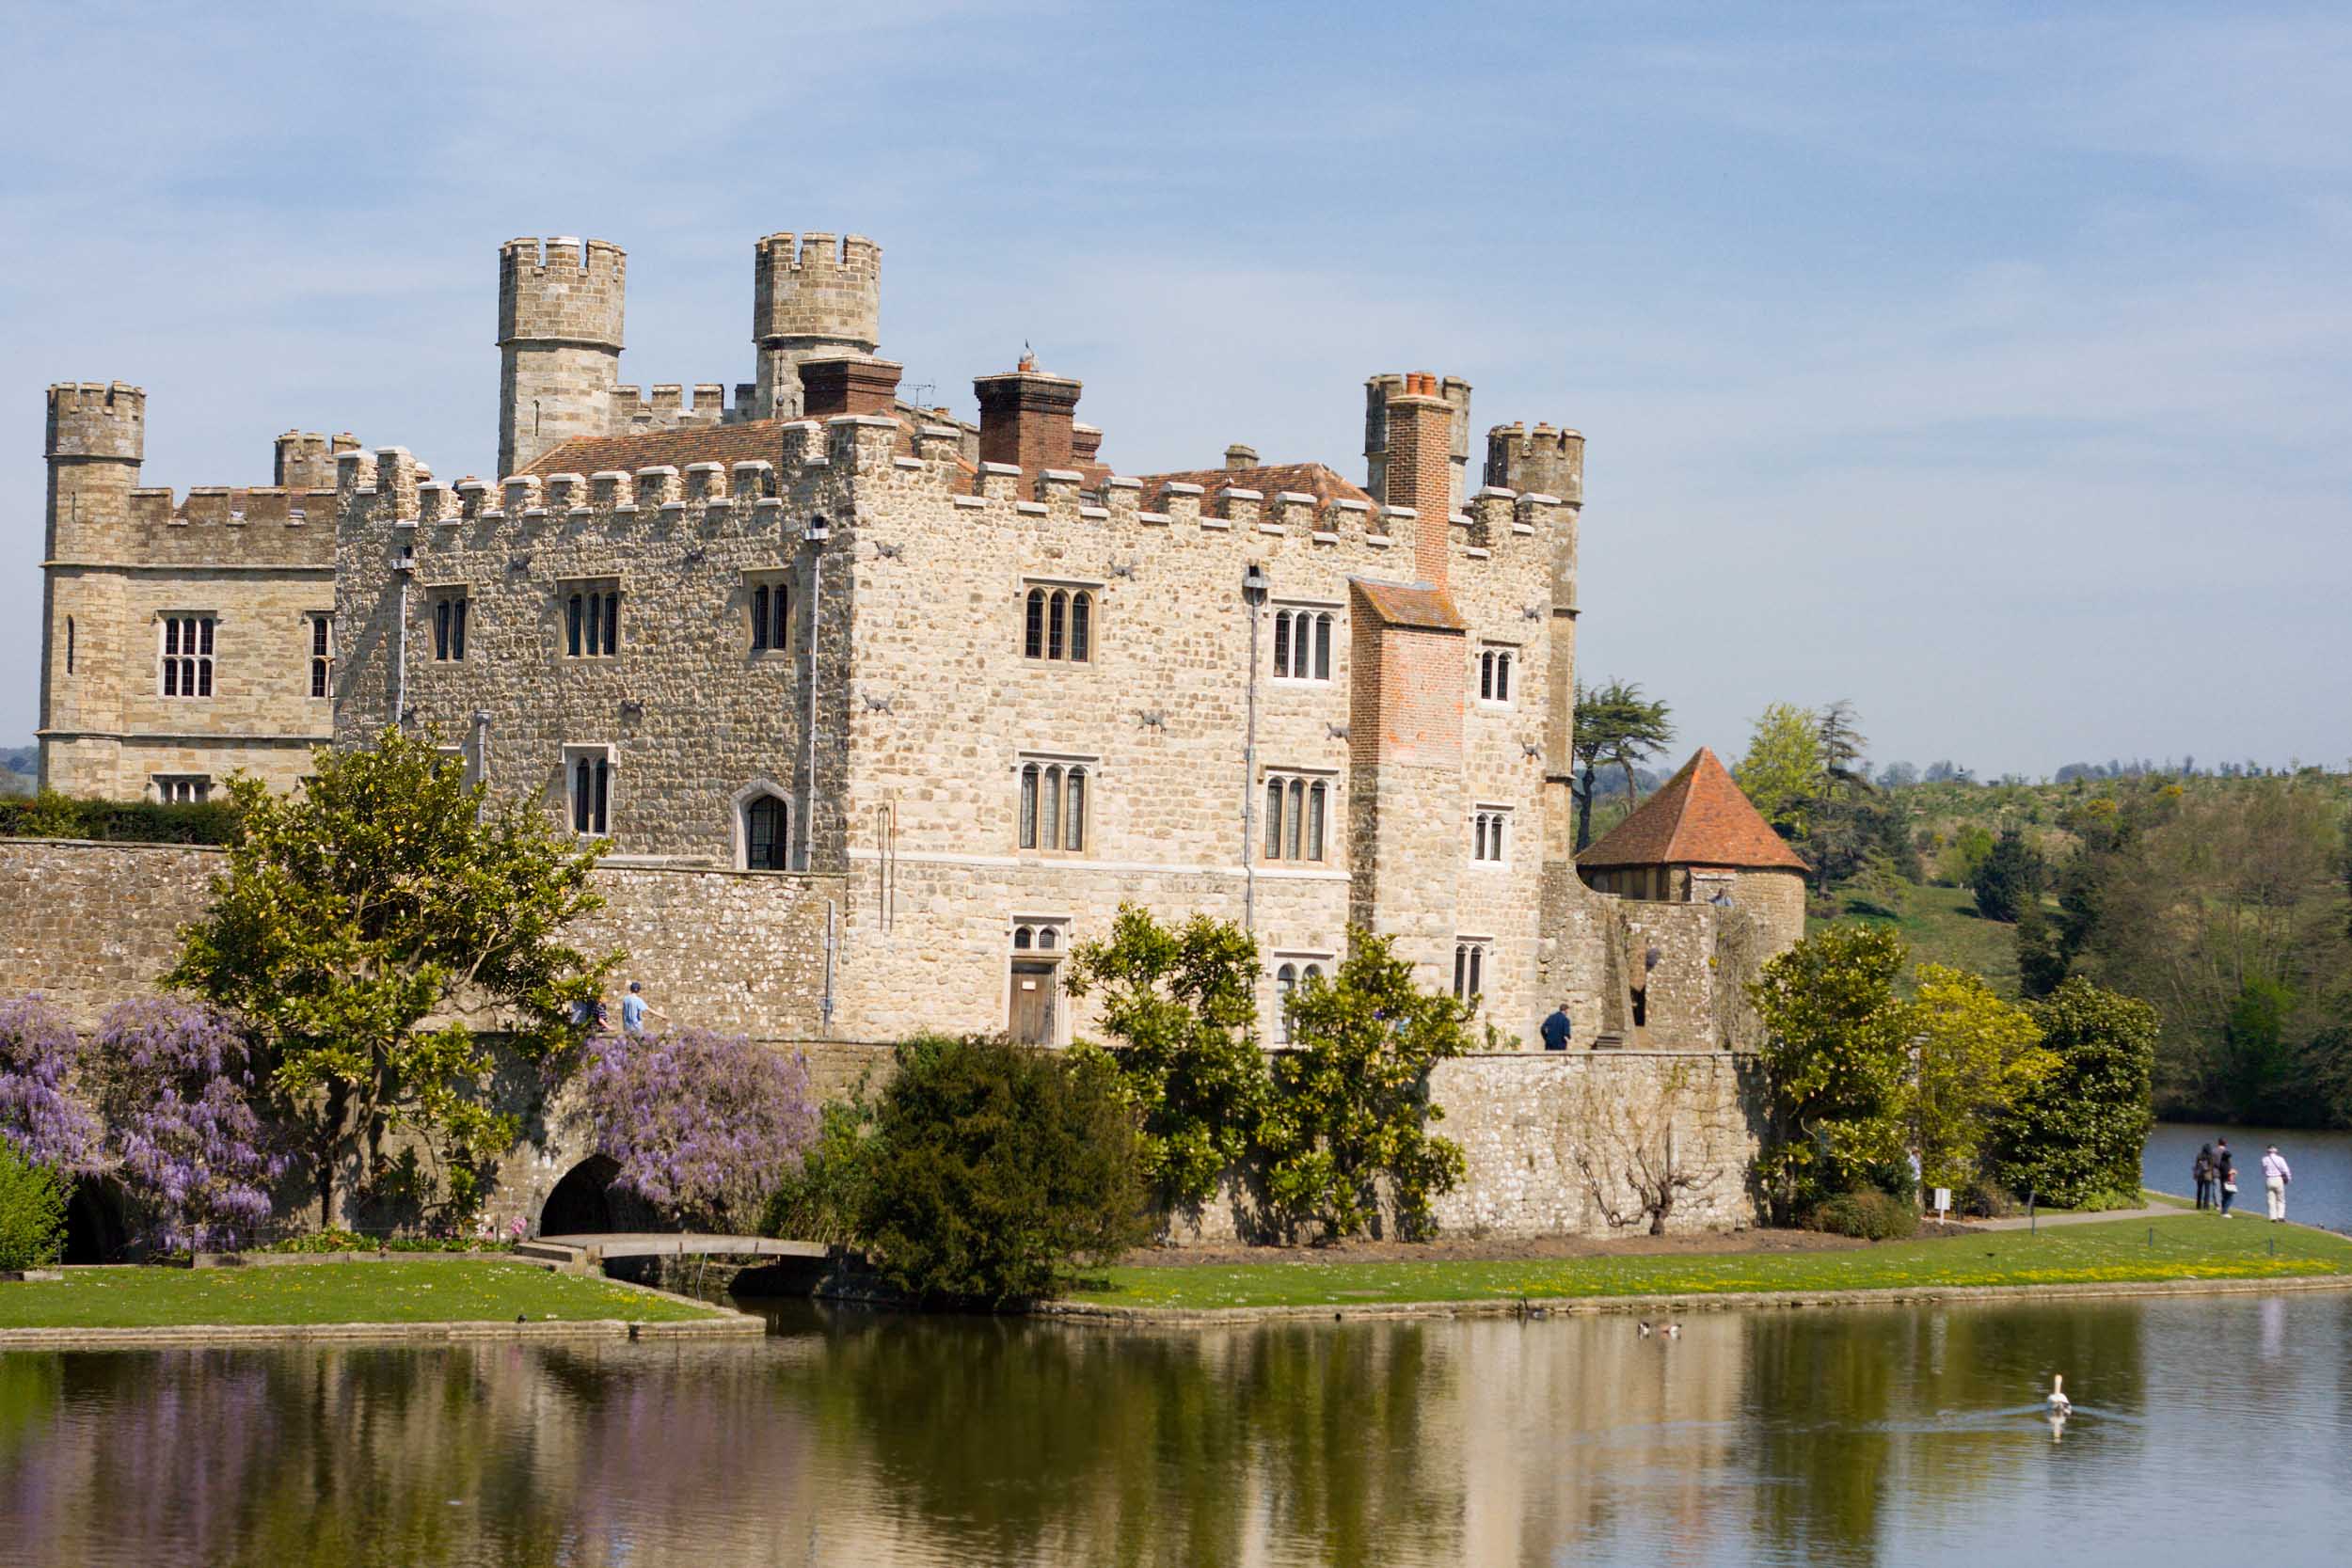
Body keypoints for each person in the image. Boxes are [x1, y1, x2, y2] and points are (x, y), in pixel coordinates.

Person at [2261, 1145, 2293, 1223]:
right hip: (2278, 1179)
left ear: (2268, 1151)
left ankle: (2273, 1218)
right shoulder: (2280, 1159)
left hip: (2269, 1179)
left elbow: (2263, 1171)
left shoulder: (2264, 1159)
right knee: (2281, 1199)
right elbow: (2286, 1170)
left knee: (2271, 1200)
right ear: (2276, 1151)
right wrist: (2289, 1178)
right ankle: (2280, 1217)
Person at [2215, 1140, 2237, 1217]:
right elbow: (2226, 1172)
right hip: (2227, 1181)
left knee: (2225, 1197)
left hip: (2223, 1180)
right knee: (2229, 1197)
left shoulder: (2222, 1162)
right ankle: (2225, 1212)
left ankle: (2223, 1211)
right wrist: (2233, 1172)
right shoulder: (2226, 1164)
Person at [2193, 1143, 2215, 1211]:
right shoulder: (2211, 1156)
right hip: (2207, 1175)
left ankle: (2198, 1206)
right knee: (2207, 1191)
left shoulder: (2199, 1155)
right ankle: (2206, 1206)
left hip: (2200, 1175)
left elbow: (2196, 1165)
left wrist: (2195, 1174)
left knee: (2199, 1190)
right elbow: (2211, 1166)